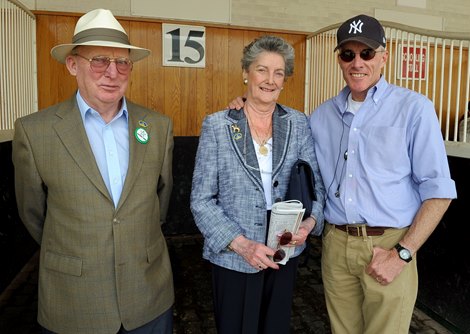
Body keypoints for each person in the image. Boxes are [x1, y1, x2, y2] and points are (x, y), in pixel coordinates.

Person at [228, 14, 457, 334]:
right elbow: (283, 146)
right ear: (339, 59)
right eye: (348, 54)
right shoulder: (321, 116)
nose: (357, 62)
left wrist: (402, 254)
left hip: (389, 242)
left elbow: (439, 192)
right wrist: (251, 106)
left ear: (384, 57)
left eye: (367, 53)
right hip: (336, 245)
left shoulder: (414, 109)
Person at [12, 9, 174, 334]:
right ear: (73, 65)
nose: (112, 73)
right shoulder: (35, 132)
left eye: (122, 62)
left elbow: (161, 198)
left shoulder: (157, 126)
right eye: (99, 60)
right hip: (74, 302)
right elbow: (33, 213)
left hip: (148, 298)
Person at [190, 35, 325, 334]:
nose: (270, 80)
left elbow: (317, 187)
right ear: (245, 73)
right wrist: (242, 245)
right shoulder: (218, 125)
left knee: (274, 327)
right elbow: (201, 199)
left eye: (278, 73)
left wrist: (309, 224)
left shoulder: (298, 123)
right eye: (262, 70)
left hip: (284, 247)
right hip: (234, 251)